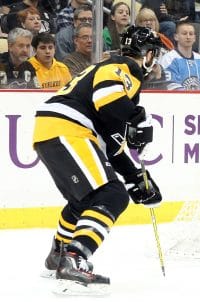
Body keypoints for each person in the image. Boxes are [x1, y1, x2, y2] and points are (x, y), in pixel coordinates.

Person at [33, 25, 163, 294]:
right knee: (112, 196)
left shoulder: (111, 72)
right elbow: (107, 98)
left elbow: (110, 142)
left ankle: (58, 254)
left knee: (85, 200)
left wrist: (135, 176)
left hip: (54, 130)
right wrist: (137, 118)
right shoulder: (124, 68)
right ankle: (74, 259)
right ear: (148, 55)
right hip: (68, 128)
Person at [159, 21, 200, 90]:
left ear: (195, 38)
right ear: (176, 37)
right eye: (184, 34)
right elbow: (171, 86)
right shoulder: (168, 59)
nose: (188, 37)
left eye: (191, 34)